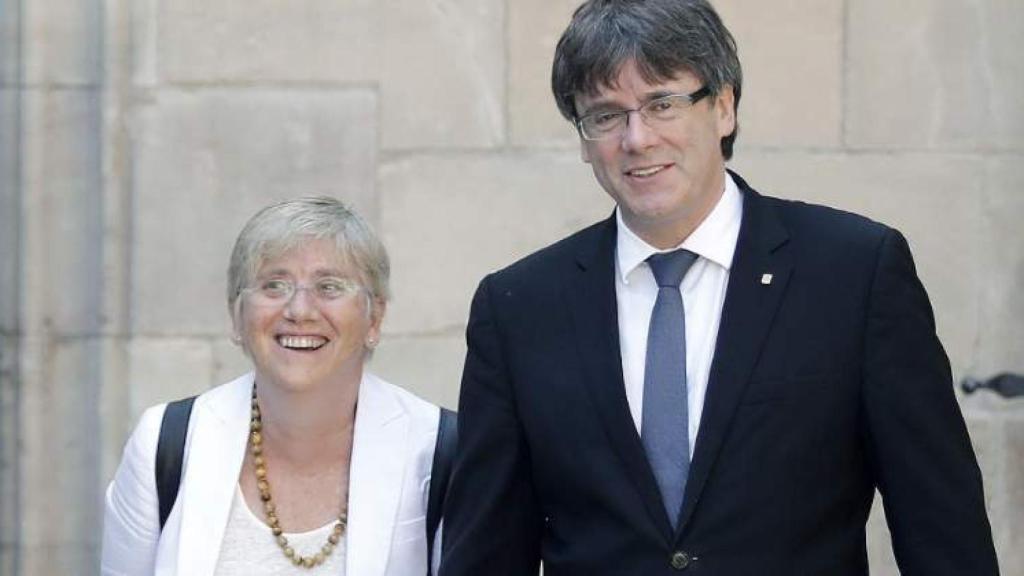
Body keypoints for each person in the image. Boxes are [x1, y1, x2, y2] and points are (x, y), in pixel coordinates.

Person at [439, 1, 999, 575]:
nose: (638, 138)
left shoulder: (854, 273)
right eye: (606, 115)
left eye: (663, 103)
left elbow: (943, 534)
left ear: (724, 106)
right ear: (583, 138)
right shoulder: (520, 307)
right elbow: (485, 550)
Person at [103, 197, 443, 575]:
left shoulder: (438, 450)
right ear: (237, 315)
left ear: (374, 317)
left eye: (329, 287)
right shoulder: (165, 443)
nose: (299, 310)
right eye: (274, 285)